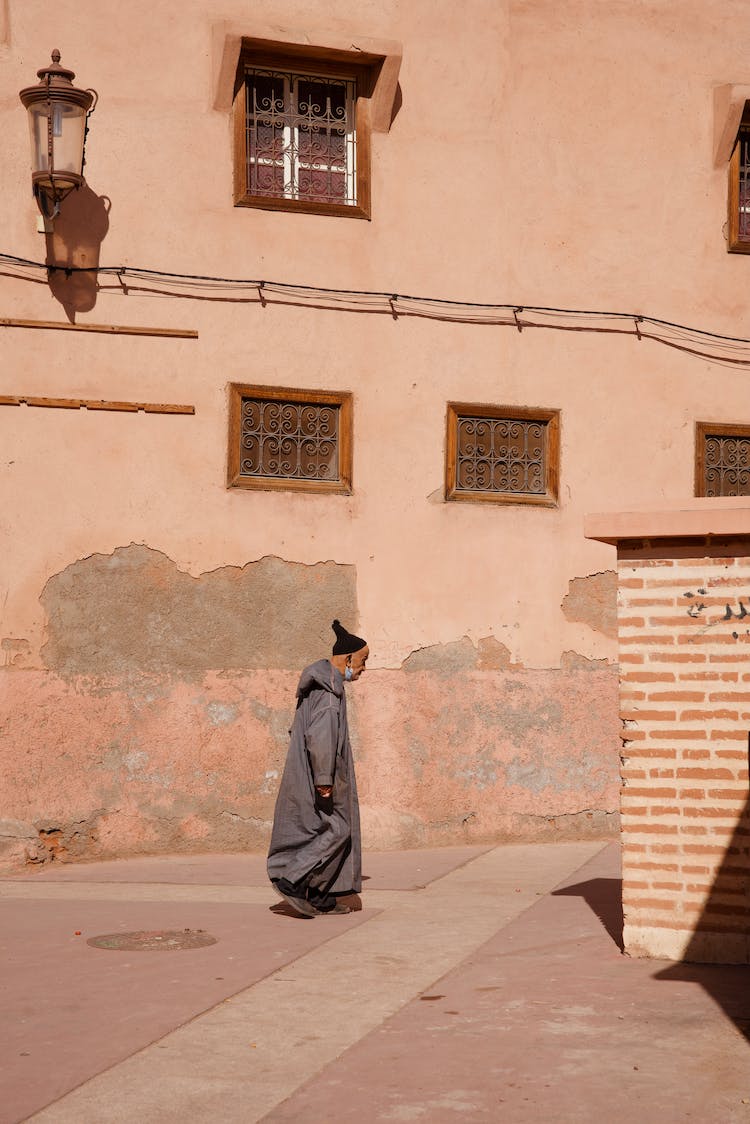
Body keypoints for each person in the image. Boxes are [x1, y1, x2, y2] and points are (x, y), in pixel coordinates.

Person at [267, 619, 368, 917]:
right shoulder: (327, 694)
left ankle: (318, 892)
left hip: (316, 774)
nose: (363, 668)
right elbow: (321, 738)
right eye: (362, 662)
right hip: (322, 776)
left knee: (320, 830)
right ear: (347, 659)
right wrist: (324, 779)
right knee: (338, 828)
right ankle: (292, 879)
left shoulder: (325, 688)